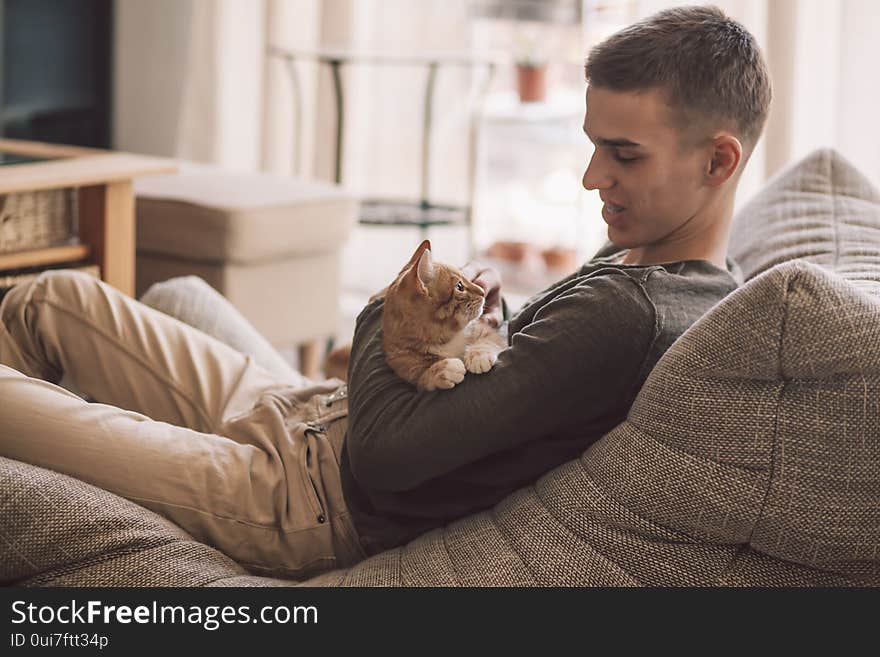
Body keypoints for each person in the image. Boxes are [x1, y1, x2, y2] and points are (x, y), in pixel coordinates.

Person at [0, 5, 771, 578]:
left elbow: (387, 456)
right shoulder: (661, 271)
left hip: (298, 498)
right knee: (52, 298)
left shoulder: (628, 311)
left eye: (624, 155)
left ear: (719, 161)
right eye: (594, 145)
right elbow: (496, 394)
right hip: (303, 408)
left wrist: (380, 310)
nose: (591, 176)